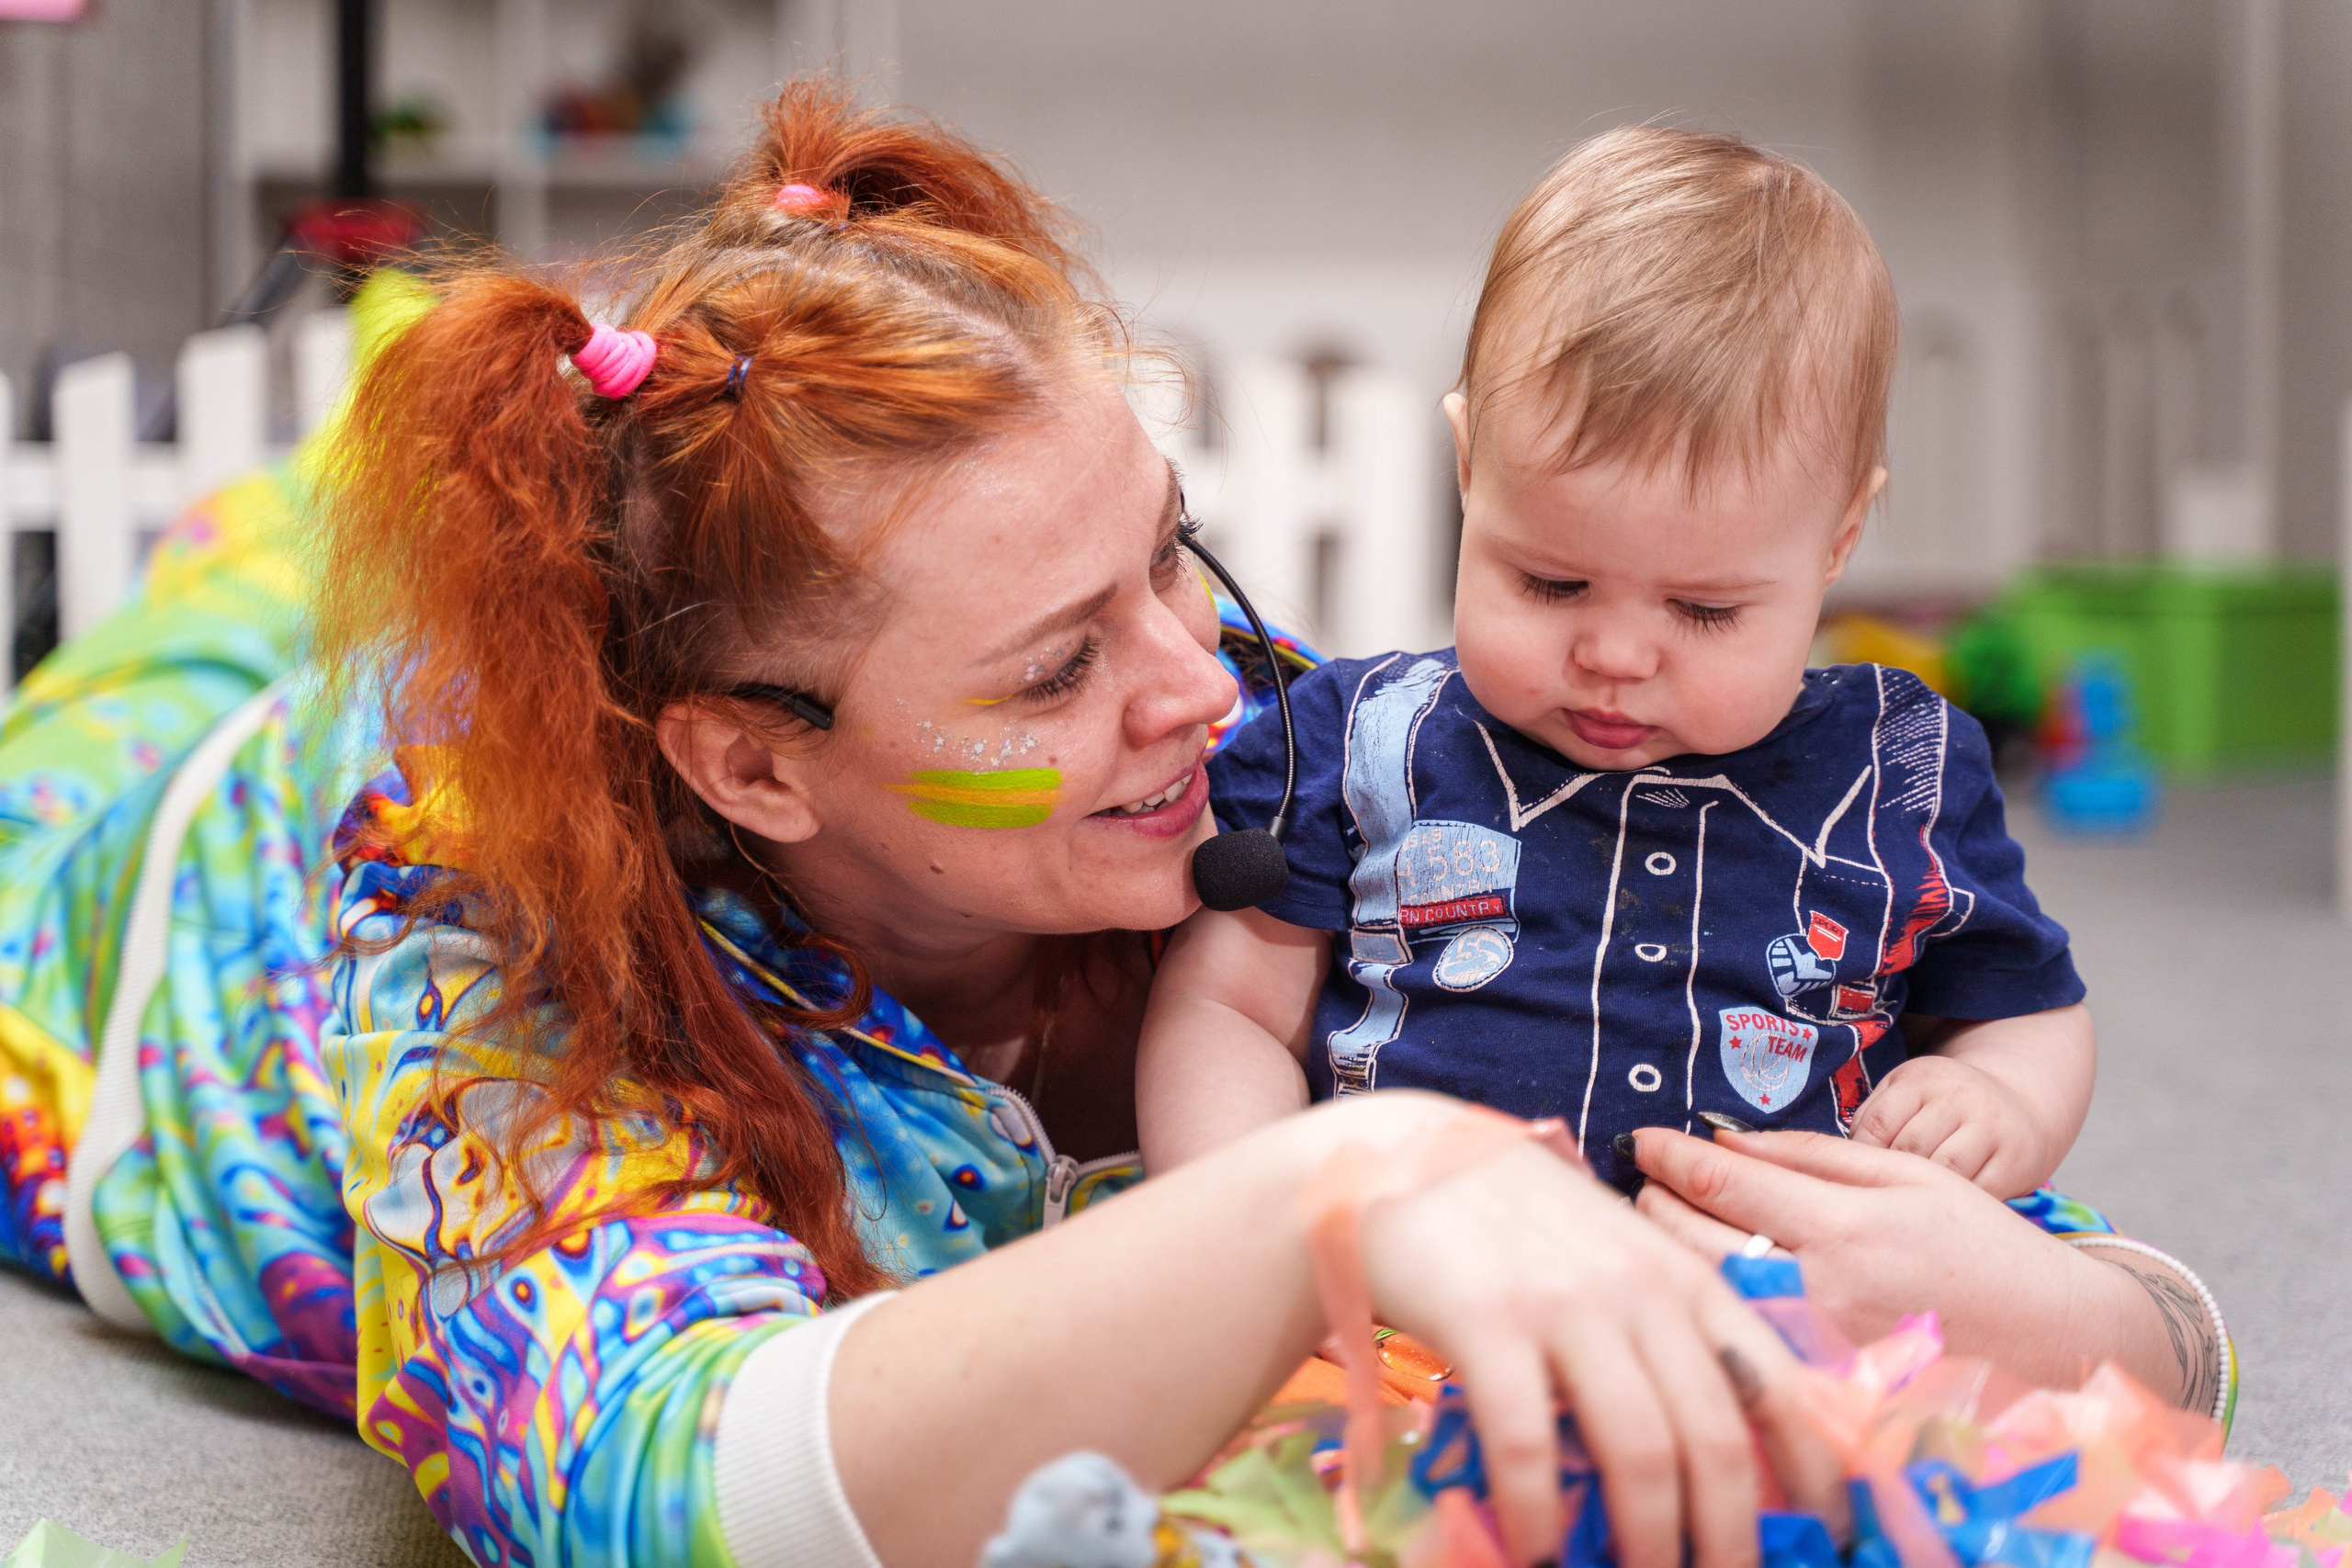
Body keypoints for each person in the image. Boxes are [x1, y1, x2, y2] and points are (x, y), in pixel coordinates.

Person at [0, 82, 2226, 1568]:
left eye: (1169, 554)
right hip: (164, 864)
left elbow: (1796, 1088)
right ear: (754, 766)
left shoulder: (1288, 754)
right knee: (162, 670)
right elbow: (666, 1468)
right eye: (1052, 666)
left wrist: (2098, 1316)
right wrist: (1343, 1179)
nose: (1199, 687)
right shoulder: (474, 940)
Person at [1137, 128, 2095, 1204]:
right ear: (1467, 469)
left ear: (1837, 541)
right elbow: (1230, 1010)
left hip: (1779, 1285)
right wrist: (1246, 1222)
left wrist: (1999, 1097)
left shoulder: (1898, 770)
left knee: (2054, 1324)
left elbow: (2022, 1008)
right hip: (1422, 1287)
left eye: (1704, 608)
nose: (1612, 656)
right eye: (1551, 584)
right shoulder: (1361, 738)